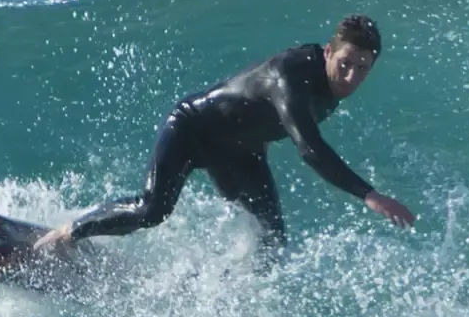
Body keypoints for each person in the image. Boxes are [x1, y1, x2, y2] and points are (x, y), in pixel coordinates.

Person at [36, 14, 416, 258]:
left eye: (362, 69)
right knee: (153, 210)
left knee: (271, 238)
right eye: (345, 64)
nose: (350, 77)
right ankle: (68, 234)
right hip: (193, 129)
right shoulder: (292, 74)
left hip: (240, 150)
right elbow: (310, 148)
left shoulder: (334, 84)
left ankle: (238, 296)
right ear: (328, 51)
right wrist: (370, 195)